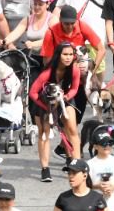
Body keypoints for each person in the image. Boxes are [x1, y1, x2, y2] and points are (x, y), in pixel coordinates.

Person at [32, 41, 87, 182]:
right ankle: (45, 169)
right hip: (44, 102)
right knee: (44, 133)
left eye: (70, 54)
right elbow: (33, 93)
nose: (68, 57)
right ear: (58, 55)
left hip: (65, 99)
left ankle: (77, 165)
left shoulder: (74, 70)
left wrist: (66, 97)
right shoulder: (48, 72)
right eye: (65, 54)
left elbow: (75, 88)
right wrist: (47, 108)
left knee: (72, 130)